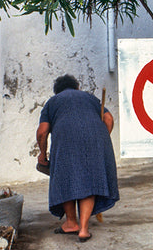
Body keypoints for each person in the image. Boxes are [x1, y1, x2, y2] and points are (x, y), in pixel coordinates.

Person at [36, 74, 119, 241]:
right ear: (77, 87)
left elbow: (42, 131)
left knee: (66, 178)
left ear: (57, 91)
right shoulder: (89, 97)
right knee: (90, 181)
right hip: (96, 140)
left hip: (65, 141)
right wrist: (100, 141)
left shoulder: (53, 102)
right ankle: (83, 230)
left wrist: (42, 154)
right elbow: (108, 119)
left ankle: (71, 223)